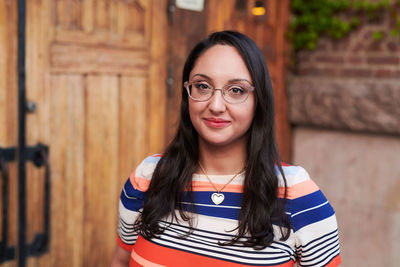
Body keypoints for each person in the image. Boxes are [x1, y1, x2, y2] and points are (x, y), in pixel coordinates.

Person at [110, 31, 341, 267]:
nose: (216, 105)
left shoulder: (298, 194)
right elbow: (121, 261)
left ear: (258, 101)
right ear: (187, 94)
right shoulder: (148, 176)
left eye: (236, 90)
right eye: (202, 86)